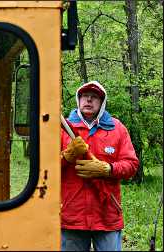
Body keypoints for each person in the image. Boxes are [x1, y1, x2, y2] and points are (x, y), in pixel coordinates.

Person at [60, 81, 139, 251]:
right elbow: (45, 169)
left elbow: (131, 165)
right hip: (72, 215)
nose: (88, 100)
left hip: (107, 215)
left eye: (94, 97)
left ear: (102, 102)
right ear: (78, 99)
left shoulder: (117, 129)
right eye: (84, 96)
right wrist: (67, 157)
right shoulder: (63, 128)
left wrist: (108, 169)